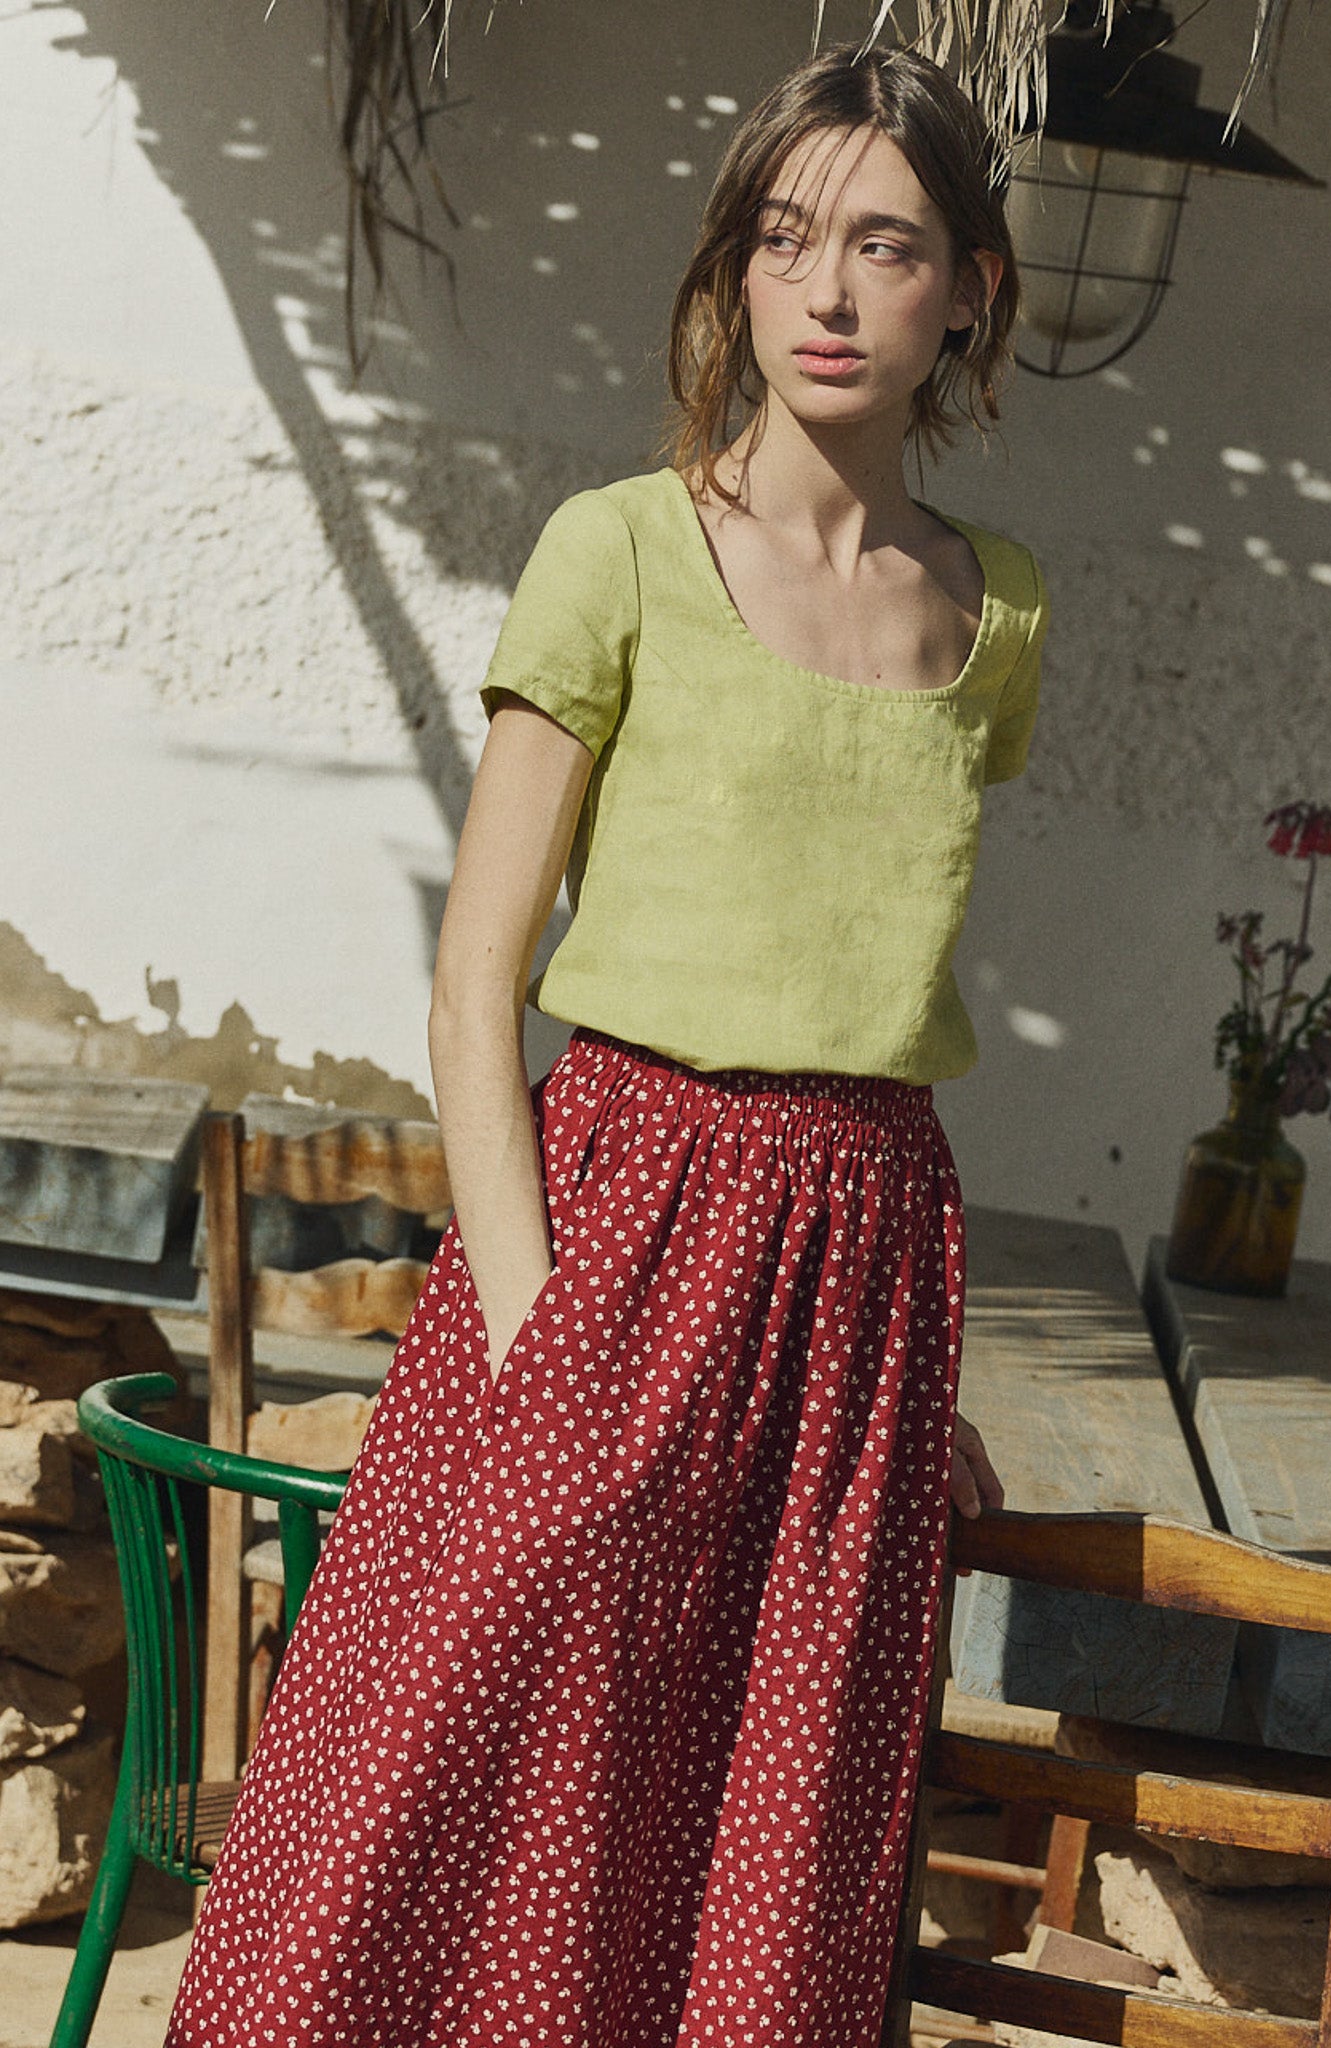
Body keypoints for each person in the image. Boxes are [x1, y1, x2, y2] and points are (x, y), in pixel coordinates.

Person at [164, 41, 1048, 2048]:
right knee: (460, 1813)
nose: (828, 291)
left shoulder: (995, 616)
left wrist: (915, 1385)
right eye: (784, 238)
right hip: (616, 1236)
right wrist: (532, 1338)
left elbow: (867, 987)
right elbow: (473, 987)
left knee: (762, 1836)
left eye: (887, 246)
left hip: (859, 1277)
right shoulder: (621, 549)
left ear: (970, 290)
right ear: (732, 271)